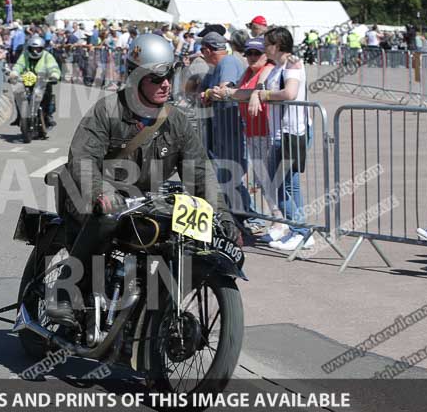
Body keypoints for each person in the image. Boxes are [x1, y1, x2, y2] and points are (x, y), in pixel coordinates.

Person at [45, 33, 241, 326]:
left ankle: (146, 311)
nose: (165, 84)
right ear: (136, 77)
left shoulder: (176, 121)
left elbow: (200, 175)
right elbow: (83, 159)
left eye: (170, 75)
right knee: (106, 218)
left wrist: (224, 219)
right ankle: (64, 292)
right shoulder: (108, 111)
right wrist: (101, 192)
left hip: (138, 200)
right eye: (156, 77)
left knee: (173, 232)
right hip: (85, 191)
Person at [207, 37, 284, 239]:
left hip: (267, 131)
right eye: (248, 52)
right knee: (263, 179)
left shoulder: (266, 68)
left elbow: (258, 90)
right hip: (252, 132)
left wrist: (252, 94)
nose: (251, 57)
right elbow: (238, 93)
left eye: (256, 53)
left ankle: (285, 224)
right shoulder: (248, 72)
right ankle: (278, 222)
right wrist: (222, 93)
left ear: (265, 54)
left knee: (274, 179)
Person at [255, 27, 314, 251]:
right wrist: (257, 92)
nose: (263, 47)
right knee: (288, 184)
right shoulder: (278, 66)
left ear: (277, 45)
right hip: (282, 132)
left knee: (280, 184)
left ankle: (301, 230)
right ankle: (299, 231)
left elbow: (289, 93)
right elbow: (263, 83)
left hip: (291, 131)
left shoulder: (292, 64)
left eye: (266, 43)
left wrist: (263, 95)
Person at [199, 31, 248, 215]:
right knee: (226, 175)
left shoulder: (227, 62)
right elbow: (197, 91)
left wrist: (209, 94)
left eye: (203, 51)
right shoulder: (216, 66)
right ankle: (242, 213)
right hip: (223, 127)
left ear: (208, 50)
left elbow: (223, 89)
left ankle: (249, 216)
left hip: (233, 126)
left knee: (231, 174)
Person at [9, 34, 61, 127]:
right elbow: (19, 65)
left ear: (42, 48)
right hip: (28, 80)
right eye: (33, 49)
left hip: (43, 80)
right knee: (18, 94)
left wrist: (54, 76)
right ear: (29, 48)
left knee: (47, 96)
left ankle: (48, 116)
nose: (35, 51)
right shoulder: (25, 55)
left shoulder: (47, 56)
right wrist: (14, 74)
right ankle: (19, 116)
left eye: (38, 49)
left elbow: (53, 67)